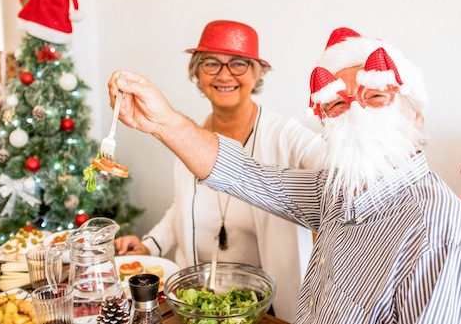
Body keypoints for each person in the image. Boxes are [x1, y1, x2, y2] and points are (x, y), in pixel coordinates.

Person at [107, 27, 461, 324]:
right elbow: (245, 174)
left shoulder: (443, 240)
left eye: (376, 96)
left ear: (415, 112)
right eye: (335, 103)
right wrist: (162, 123)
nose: (355, 112)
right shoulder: (337, 191)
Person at [113, 20, 325, 322]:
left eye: (238, 64)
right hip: (197, 303)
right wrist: (150, 244)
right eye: (211, 63)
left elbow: (338, 172)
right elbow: (180, 207)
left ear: (257, 72)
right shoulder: (191, 136)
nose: (224, 75)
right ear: (197, 73)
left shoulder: (287, 135)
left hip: (266, 310)